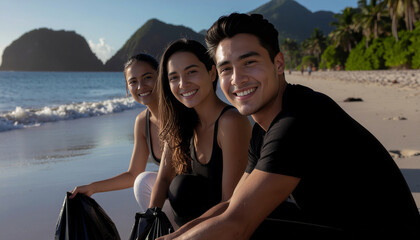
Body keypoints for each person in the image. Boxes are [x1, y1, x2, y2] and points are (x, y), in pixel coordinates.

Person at [157, 13, 420, 240]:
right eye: (226, 69)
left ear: (278, 63)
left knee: (247, 229)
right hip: (345, 226)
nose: (237, 79)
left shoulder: (298, 119)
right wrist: (172, 236)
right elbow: (231, 204)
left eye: (249, 62)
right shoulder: (265, 126)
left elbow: (237, 225)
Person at [148, 39, 251, 227]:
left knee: (181, 186)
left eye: (191, 72)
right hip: (192, 223)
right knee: (146, 182)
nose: (183, 83)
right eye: (173, 78)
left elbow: (230, 203)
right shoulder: (182, 122)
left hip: (228, 225)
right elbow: (163, 178)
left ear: (212, 73)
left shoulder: (230, 122)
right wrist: (148, 220)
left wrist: (180, 236)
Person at [70, 54, 175, 225]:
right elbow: (133, 174)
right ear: (127, 88)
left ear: (160, 77)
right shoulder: (142, 122)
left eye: (148, 77)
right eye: (133, 82)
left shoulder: (178, 112)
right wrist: (92, 187)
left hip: (195, 195)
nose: (141, 86)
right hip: (172, 195)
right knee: (142, 182)